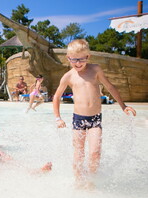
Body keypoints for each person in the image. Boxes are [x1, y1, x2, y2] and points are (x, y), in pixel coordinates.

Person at [52, 39, 136, 187]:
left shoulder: (95, 70)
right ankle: (78, 183)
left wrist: (123, 106)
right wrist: (58, 118)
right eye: (74, 60)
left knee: (95, 152)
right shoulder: (69, 76)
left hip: (95, 119)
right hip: (78, 120)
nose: (78, 63)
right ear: (68, 58)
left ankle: (91, 182)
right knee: (79, 154)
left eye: (81, 59)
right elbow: (56, 96)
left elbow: (110, 87)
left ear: (88, 57)